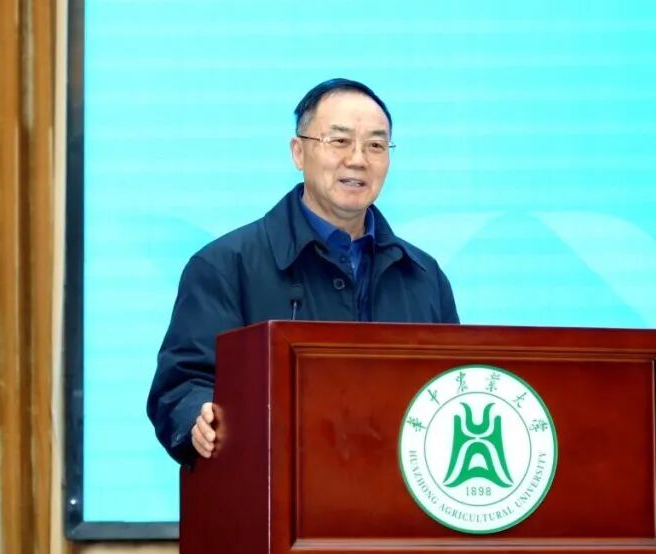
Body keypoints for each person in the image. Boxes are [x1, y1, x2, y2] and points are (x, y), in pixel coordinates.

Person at [147, 78, 460, 465]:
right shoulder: (225, 266)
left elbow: (449, 391)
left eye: (376, 145)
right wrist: (199, 415)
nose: (358, 159)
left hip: (393, 490)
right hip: (273, 485)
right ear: (298, 152)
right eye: (340, 141)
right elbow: (183, 384)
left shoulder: (423, 276)